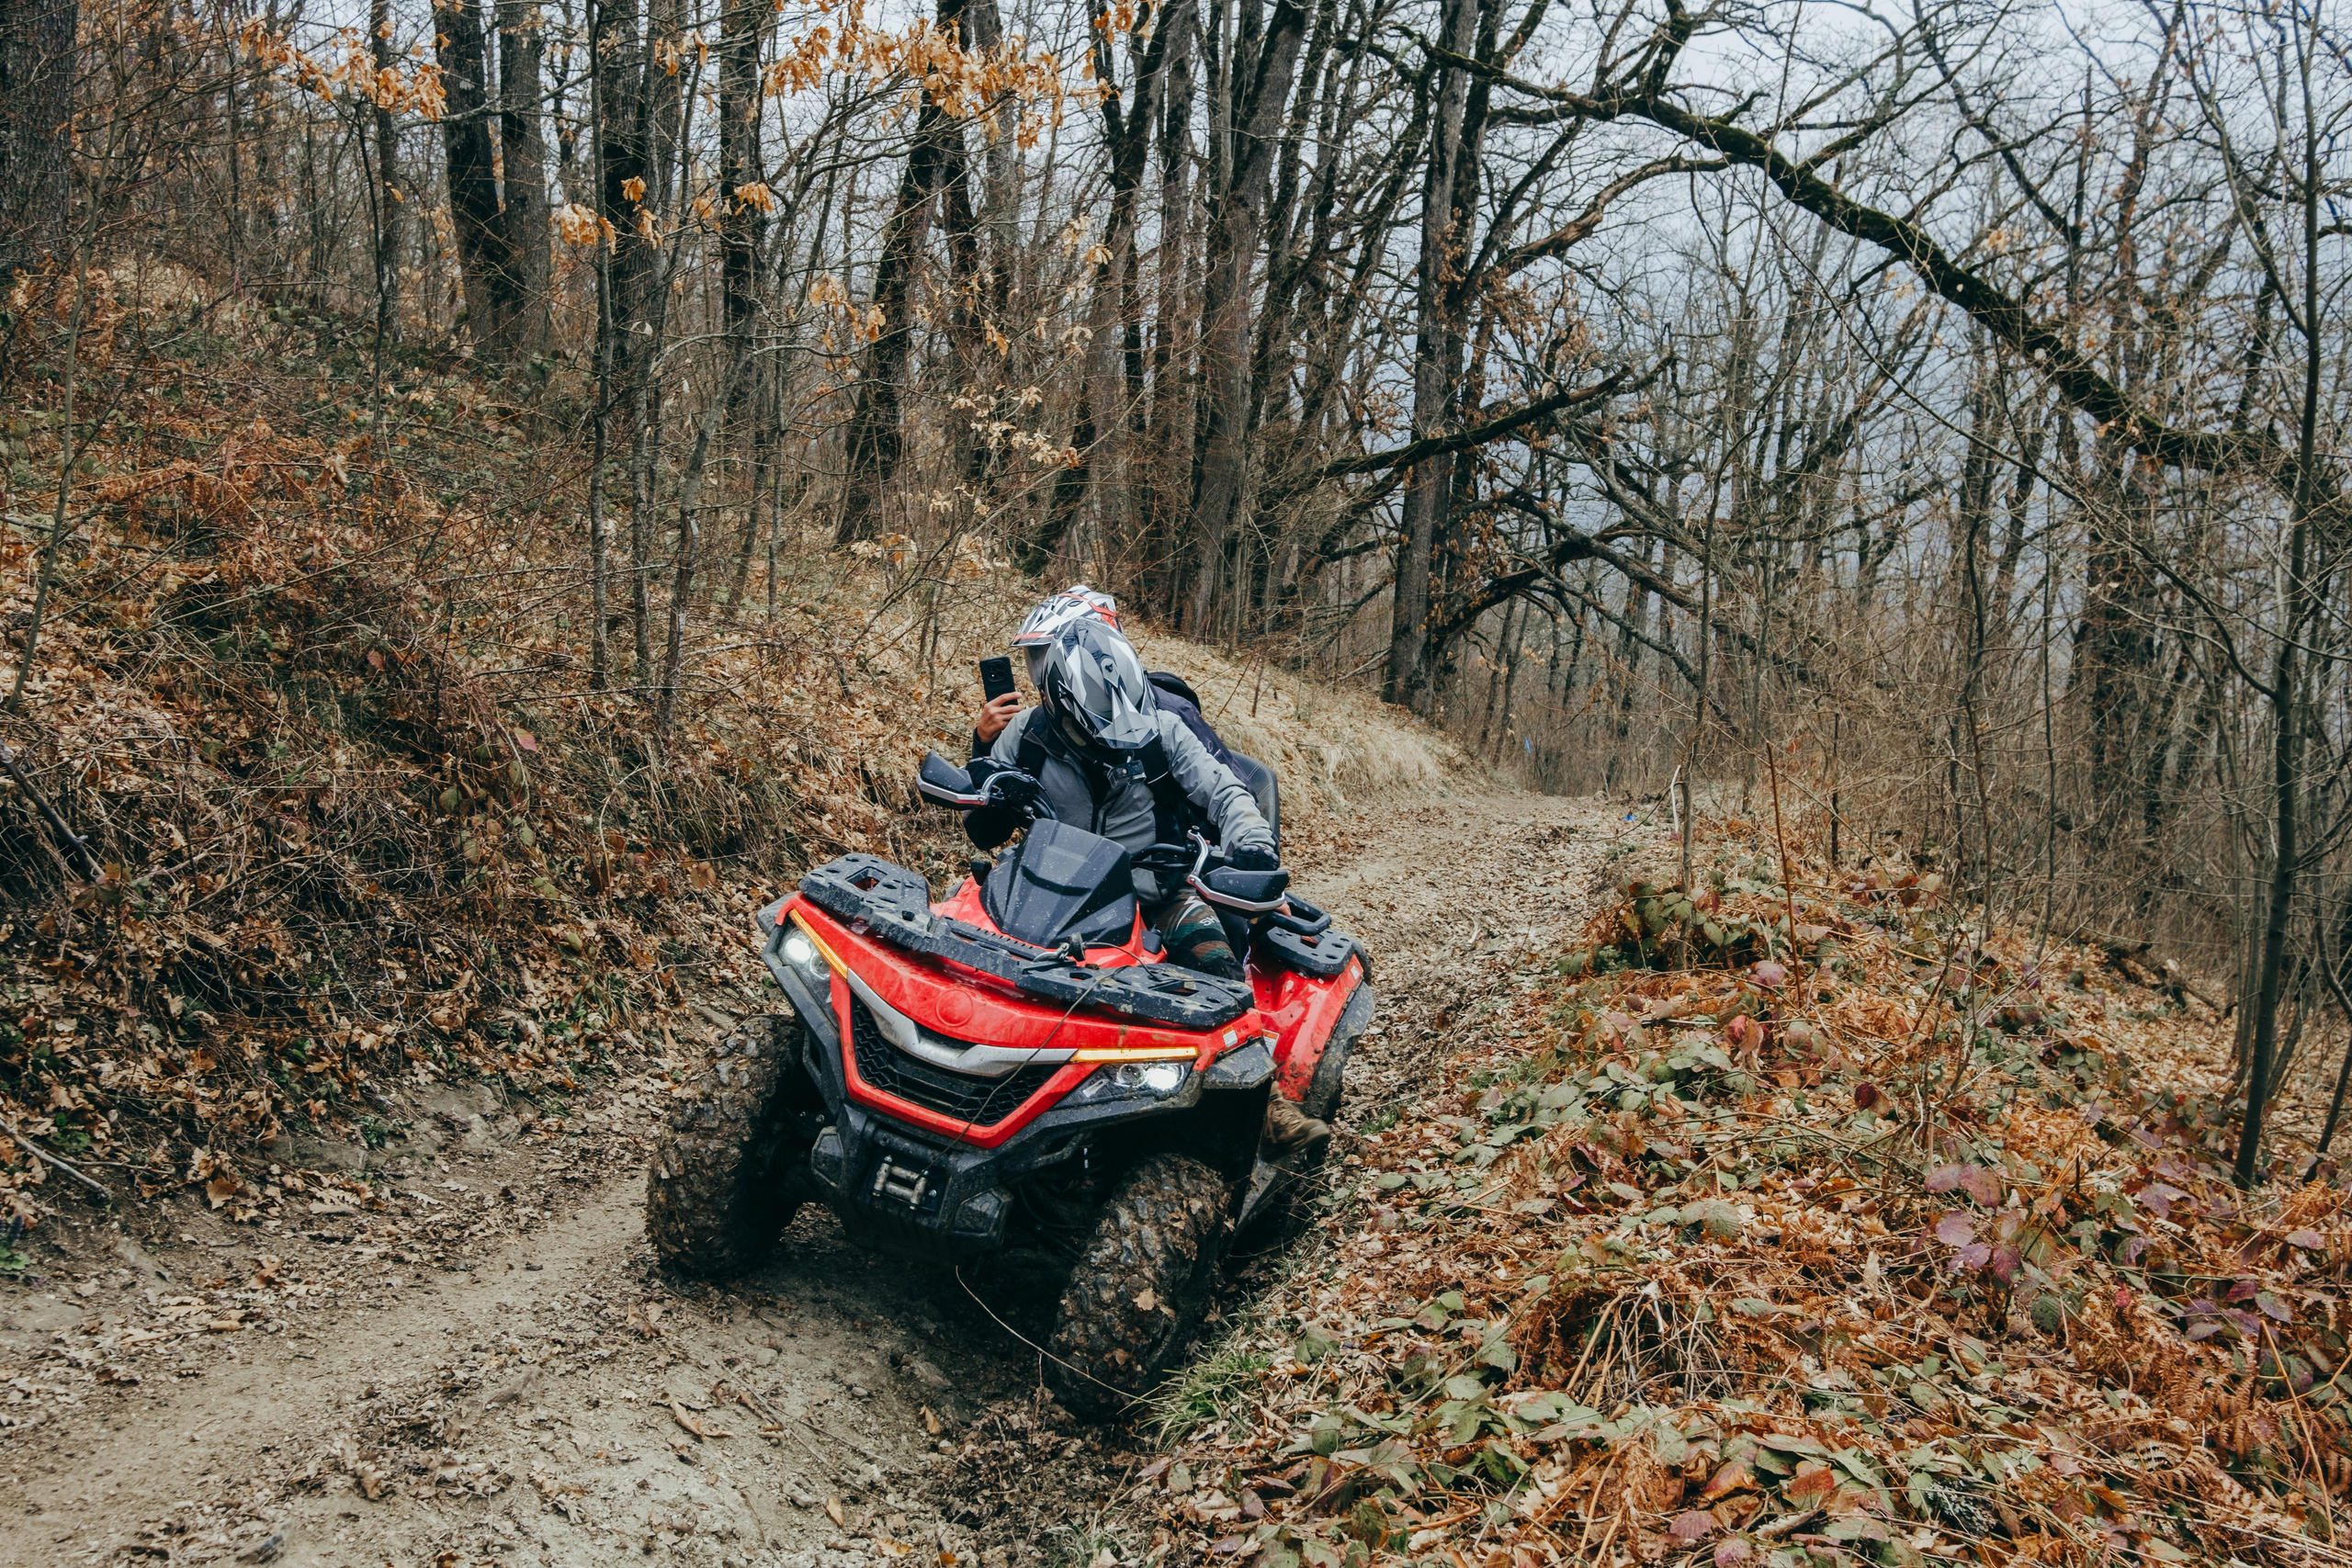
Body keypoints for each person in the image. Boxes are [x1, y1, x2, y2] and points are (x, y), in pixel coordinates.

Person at [963, 615, 1327, 1152]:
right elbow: (984, 827)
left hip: (1156, 892)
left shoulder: (1164, 730)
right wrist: (982, 766)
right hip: (1042, 885)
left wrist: (1253, 843)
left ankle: (1264, 1102)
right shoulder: (1027, 735)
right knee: (961, 941)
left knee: (1221, 972)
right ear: (1062, 701)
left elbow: (1225, 790)